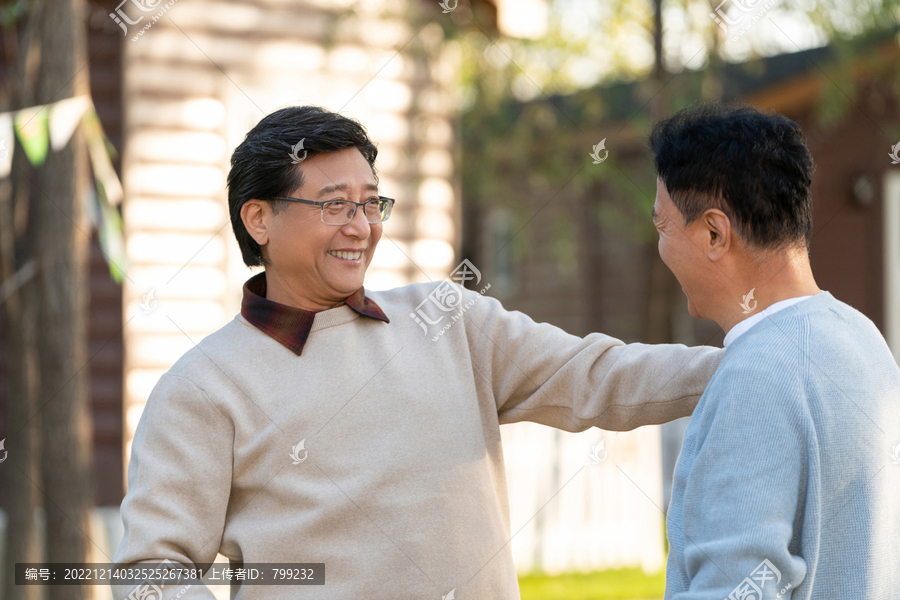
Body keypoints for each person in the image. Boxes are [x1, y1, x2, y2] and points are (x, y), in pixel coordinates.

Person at [114, 105, 724, 599]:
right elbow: (151, 570)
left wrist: (751, 358)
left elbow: (599, 375)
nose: (361, 226)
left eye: (371, 202)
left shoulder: (449, 320)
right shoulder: (203, 387)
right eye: (334, 205)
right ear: (259, 220)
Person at [650, 104, 900, 599]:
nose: (660, 248)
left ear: (715, 234)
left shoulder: (757, 376)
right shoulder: (864, 337)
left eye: (662, 227)